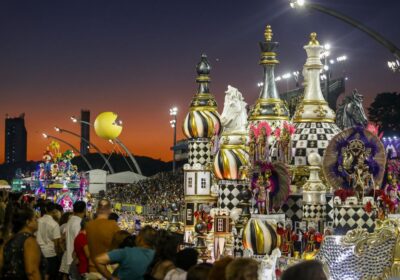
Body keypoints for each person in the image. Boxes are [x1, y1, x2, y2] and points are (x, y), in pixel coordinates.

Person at [1, 206, 45, 279]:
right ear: (28, 222)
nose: (37, 221)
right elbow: (32, 272)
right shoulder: (29, 241)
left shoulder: (9, 240)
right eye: (34, 219)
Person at [86, 199, 119, 275]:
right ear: (109, 210)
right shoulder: (113, 225)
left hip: (92, 269)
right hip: (107, 270)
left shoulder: (89, 225)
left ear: (97, 209)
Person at [60, 201, 86, 278]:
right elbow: (79, 241)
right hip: (75, 258)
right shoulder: (79, 223)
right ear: (84, 210)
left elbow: (63, 238)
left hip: (69, 255)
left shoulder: (70, 221)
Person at [36, 202, 62, 280]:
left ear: (45, 209)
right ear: (54, 210)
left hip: (39, 252)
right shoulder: (54, 224)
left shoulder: (37, 221)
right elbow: (56, 243)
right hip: (50, 254)